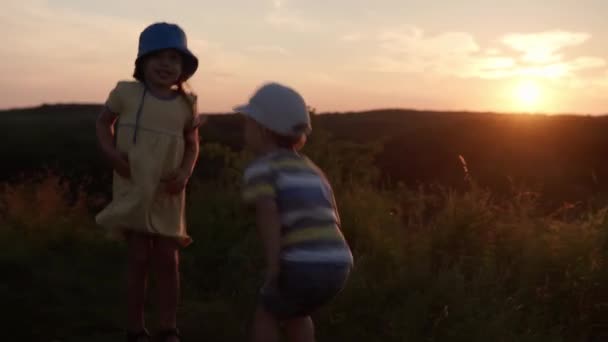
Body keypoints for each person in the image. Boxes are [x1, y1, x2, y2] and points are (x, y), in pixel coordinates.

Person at [95, 22, 202, 342]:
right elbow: (103, 123)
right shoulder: (126, 92)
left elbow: (193, 144)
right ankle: (135, 328)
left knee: (168, 260)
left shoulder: (187, 103)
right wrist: (112, 155)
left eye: (174, 58)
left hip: (169, 190)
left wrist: (184, 175)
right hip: (134, 186)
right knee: (139, 258)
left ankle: (168, 327)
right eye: (158, 56)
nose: (166, 64)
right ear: (142, 61)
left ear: (183, 68)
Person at [235, 83, 353, 342]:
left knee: (266, 312)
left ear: (263, 130)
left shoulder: (262, 168)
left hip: (302, 262)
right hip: (338, 262)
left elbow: (268, 216)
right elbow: (333, 213)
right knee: (298, 313)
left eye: (248, 122)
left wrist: (274, 267)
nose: (245, 128)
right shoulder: (312, 168)